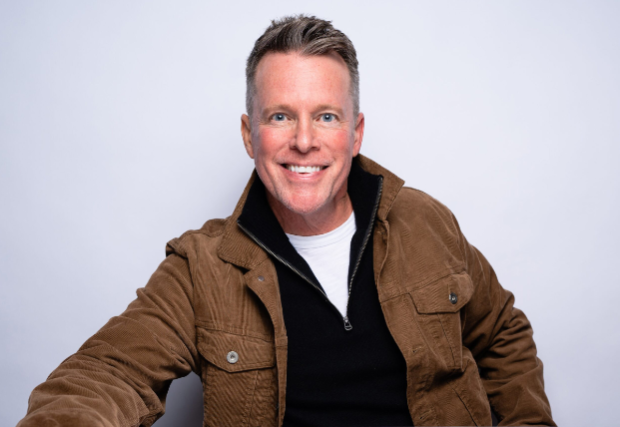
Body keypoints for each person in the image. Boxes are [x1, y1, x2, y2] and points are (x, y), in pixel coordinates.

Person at [18, 15, 555, 427]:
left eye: (326, 116)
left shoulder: (425, 221)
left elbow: (502, 332)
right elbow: (108, 373)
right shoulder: (200, 268)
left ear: (355, 133)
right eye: (280, 116)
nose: (304, 140)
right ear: (249, 135)